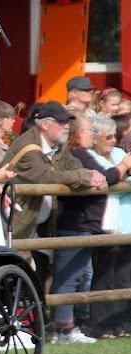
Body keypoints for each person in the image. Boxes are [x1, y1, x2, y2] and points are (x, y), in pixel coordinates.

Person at [50, 115, 131, 343]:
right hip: (77, 223)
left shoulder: (80, 154)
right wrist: (124, 165)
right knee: (68, 277)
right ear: (77, 133)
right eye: (89, 131)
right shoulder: (76, 154)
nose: (92, 135)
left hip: (85, 224)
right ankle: (64, 329)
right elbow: (106, 177)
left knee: (78, 276)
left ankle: (67, 327)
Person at [0, 102, 106, 245]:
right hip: (13, 226)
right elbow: (46, 177)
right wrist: (86, 177)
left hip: (35, 225)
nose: (67, 126)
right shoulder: (28, 147)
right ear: (45, 125)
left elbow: (75, 166)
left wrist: (92, 175)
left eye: (68, 122)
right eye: (61, 122)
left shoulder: (58, 145)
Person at [83, 115, 131, 339]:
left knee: (125, 275)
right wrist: (123, 171)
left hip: (127, 222)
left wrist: (121, 171)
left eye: (114, 136)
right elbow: (109, 177)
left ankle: (123, 323)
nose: (113, 140)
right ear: (94, 139)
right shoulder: (91, 156)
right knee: (105, 275)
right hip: (106, 225)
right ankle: (101, 324)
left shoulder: (120, 155)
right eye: (108, 137)